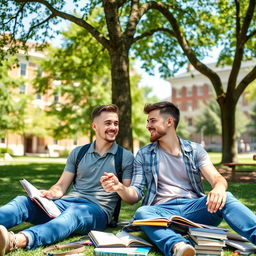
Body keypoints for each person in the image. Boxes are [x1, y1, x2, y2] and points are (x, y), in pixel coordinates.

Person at [101, 101, 256, 256]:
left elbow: (217, 178)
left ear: (169, 121)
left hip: (195, 210)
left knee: (226, 197)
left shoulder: (194, 150)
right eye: (147, 121)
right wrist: (120, 187)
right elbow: (134, 195)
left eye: (152, 121)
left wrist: (219, 188)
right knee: (143, 212)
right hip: (161, 213)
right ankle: (179, 246)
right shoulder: (144, 154)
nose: (148, 126)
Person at [0, 104, 134, 256]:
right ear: (94, 126)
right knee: (22, 202)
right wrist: (50, 193)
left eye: (116, 123)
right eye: (108, 123)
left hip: (97, 211)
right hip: (66, 202)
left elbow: (129, 197)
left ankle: (17, 241)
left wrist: (118, 187)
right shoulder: (79, 152)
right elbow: (62, 185)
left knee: (74, 214)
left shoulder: (125, 157)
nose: (113, 127)